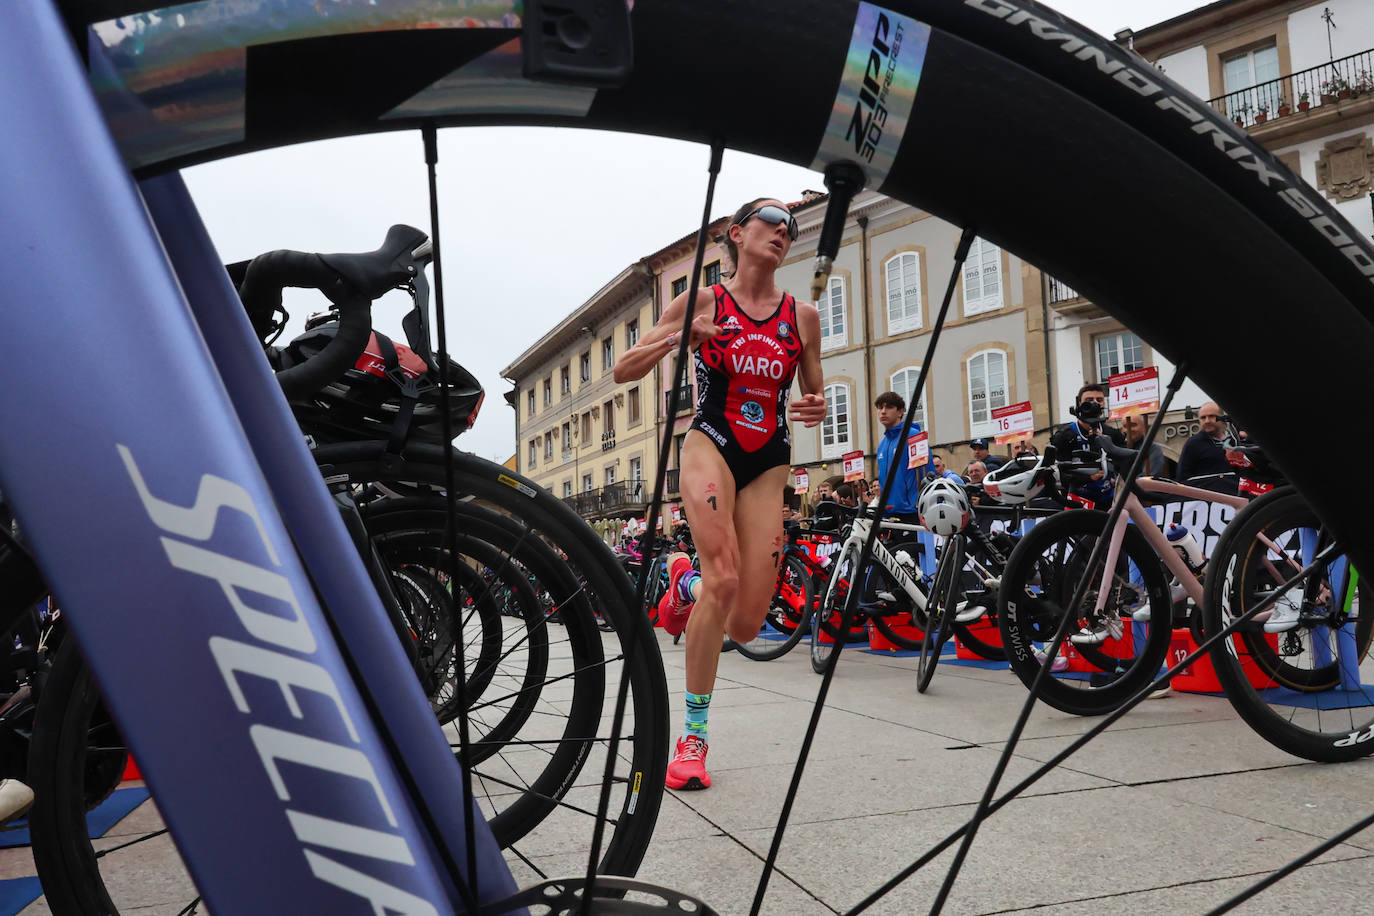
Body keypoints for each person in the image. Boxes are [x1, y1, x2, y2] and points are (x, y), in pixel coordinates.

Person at [612, 196, 825, 791]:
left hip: (769, 456)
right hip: (711, 440)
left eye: (792, 227)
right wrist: (679, 337)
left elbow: (813, 393)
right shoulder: (704, 300)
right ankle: (694, 737)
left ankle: (684, 583)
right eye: (773, 220)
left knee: (749, 625)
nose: (785, 230)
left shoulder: (801, 316)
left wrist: (813, 405)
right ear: (737, 233)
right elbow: (624, 371)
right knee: (725, 579)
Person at [1048, 383, 1126, 505]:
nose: (1095, 403)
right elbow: (1060, 473)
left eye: (1099, 400)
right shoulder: (1064, 436)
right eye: (1089, 400)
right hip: (1077, 499)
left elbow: (1124, 465)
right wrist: (1088, 478)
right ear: (1079, 404)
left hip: (1108, 499)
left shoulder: (1113, 434)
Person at [873, 391, 921, 516]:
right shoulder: (882, 445)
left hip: (911, 513)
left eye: (889, 407)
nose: (883, 411)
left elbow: (924, 473)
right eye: (880, 407)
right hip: (888, 513)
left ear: (900, 411)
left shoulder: (913, 436)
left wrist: (914, 505)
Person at [1177, 402, 1236, 493]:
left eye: (1211, 416)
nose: (1207, 421)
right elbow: (1183, 478)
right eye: (1203, 418)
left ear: (1222, 417)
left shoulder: (1236, 440)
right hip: (1208, 501)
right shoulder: (1193, 444)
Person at [1120, 414, 1173, 478]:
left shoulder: (1152, 449)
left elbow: (1147, 479)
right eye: (1125, 426)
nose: (1129, 429)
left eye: (1133, 425)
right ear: (1121, 429)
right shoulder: (1119, 448)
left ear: (1143, 427)